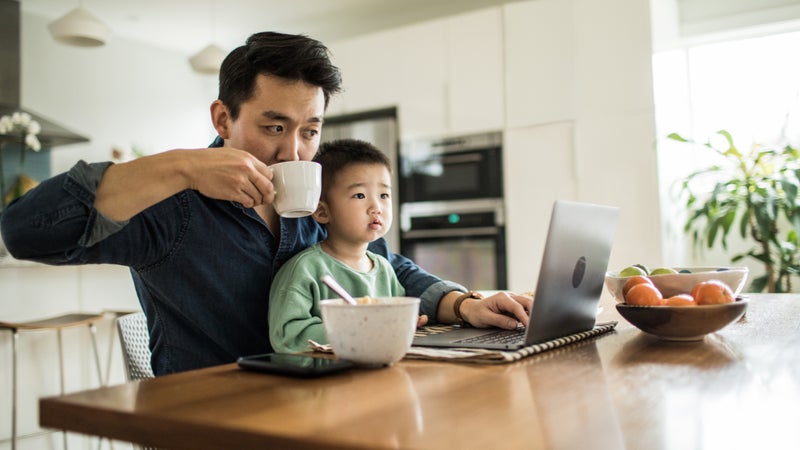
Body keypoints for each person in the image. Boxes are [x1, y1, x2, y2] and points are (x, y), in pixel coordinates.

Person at [0, 31, 532, 376]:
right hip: (216, 422)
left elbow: (384, 266)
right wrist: (183, 166)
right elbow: (24, 231)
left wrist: (463, 304)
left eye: (310, 131)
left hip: (323, 404)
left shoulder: (318, 198)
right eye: (274, 126)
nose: (292, 151)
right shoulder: (172, 205)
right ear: (223, 119)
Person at [269, 139, 421, 352]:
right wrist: (356, 330)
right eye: (359, 195)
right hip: (323, 379)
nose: (376, 207)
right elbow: (287, 336)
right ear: (322, 212)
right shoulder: (305, 269)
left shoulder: (384, 269)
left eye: (384, 195)